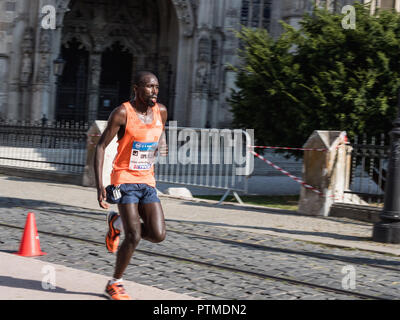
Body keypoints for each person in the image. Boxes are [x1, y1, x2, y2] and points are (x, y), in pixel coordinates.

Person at [94, 71, 168, 300]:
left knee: (158, 234)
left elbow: (158, 134)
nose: (154, 91)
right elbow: (100, 147)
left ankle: (116, 222)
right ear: (136, 88)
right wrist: (100, 186)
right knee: (134, 235)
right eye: (149, 87)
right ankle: (115, 283)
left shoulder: (161, 111)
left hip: (147, 180)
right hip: (124, 179)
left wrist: (160, 146)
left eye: (156, 87)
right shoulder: (122, 113)